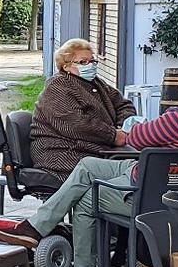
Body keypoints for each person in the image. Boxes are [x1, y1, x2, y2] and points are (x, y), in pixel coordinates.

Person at [0, 52, 178, 267]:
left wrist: (131, 129)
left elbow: (138, 137)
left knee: (87, 197)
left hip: (150, 196)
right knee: (88, 165)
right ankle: (36, 227)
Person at [28, 37, 136, 180]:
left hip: (95, 148)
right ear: (65, 66)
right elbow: (76, 123)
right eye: (83, 62)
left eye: (92, 61)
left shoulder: (96, 83)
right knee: (129, 172)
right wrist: (113, 136)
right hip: (62, 152)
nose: (90, 65)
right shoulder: (58, 87)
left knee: (137, 166)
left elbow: (123, 104)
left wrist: (122, 126)